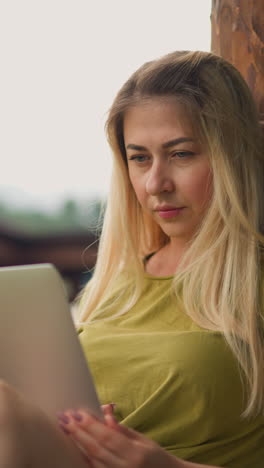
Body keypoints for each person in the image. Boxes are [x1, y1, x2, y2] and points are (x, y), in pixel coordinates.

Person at [0, 50, 263, 467]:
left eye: (181, 154)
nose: (156, 183)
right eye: (139, 158)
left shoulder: (253, 287)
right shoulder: (114, 287)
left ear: (231, 154)